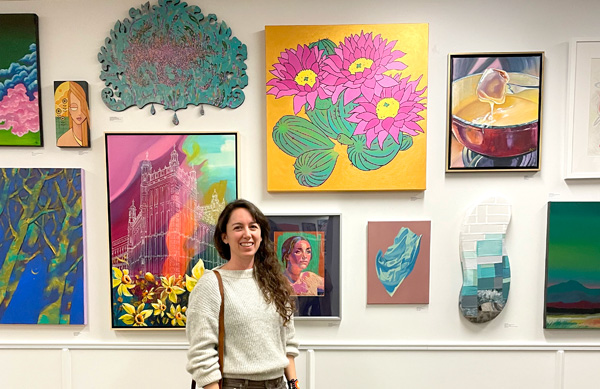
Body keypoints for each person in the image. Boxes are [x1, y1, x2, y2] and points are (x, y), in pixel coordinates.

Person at [187, 199, 300, 389]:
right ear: (225, 237)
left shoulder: (275, 283)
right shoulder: (211, 284)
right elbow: (201, 354)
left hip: (279, 384)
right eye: (238, 228)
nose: (247, 234)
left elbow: (288, 341)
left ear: (261, 234)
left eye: (253, 227)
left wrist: (294, 384)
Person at [55, 81, 90, 147]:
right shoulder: (62, 140)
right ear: (69, 109)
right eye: (74, 107)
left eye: (83, 107)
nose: (79, 113)